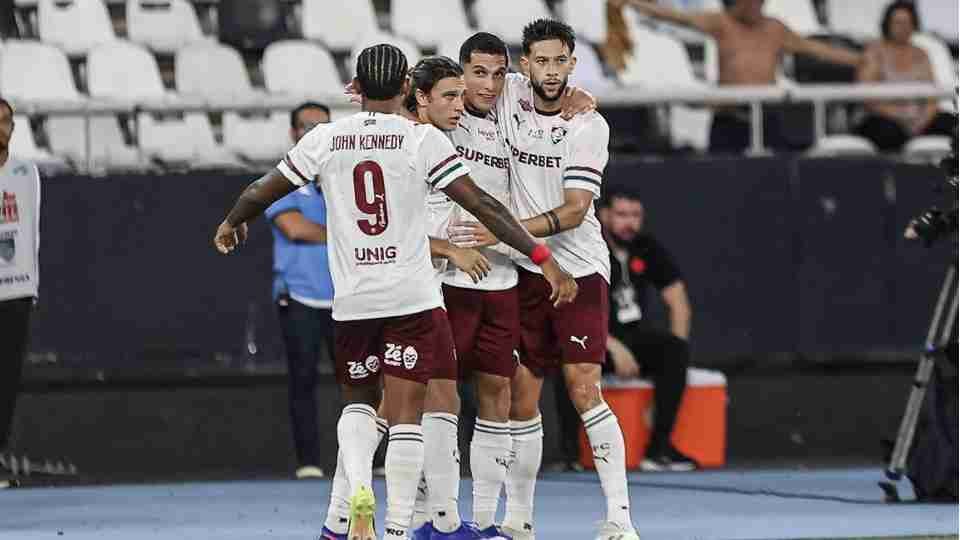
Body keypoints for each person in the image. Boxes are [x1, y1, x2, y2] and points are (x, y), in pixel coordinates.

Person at [214, 44, 577, 540]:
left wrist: (233, 221)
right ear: (407, 88)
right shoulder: (421, 141)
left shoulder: (326, 137)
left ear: (356, 89)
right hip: (411, 298)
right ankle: (399, 529)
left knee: (358, 407)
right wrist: (541, 257)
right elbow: (485, 206)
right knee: (407, 418)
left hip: (353, 299)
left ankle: (351, 502)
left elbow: (263, 188)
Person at [452, 19, 638, 540]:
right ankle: (519, 519)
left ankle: (620, 519)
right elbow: (453, 81)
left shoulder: (588, 125)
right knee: (520, 397)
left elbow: (576, 212)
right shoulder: (506, 91)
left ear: (572, 63)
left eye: (561, 62)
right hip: (524, 272)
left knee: (583, 389)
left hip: (577, 269)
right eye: (542, 61)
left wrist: (495, 230)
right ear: (525, 64)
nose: (552, 72)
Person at [552, 190, 696, 473]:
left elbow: (679, 301)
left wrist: (676, 351)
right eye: (622, 215)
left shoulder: (646, 246)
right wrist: (611, 345)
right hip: (591, 334)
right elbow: (572, 306)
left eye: (636, 216)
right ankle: (570, 454)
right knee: (566, 358)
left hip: (632, 337)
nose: (629, 223)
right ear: (604, 215)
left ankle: (659, 449)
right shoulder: (587, 245)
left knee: (674, 351)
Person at [627, 0, 864, 153]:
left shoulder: (775, 29)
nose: (756, 6)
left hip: (768, 116)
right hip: (729, 116)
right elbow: (676, 17)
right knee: (721, 172)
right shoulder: (722, 23)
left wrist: (859, 60)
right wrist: (634, 3)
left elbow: (816, 50)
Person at [264, 102, 334, 480]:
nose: (314, 132)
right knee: (303, 380)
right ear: (293, 134)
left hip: (346, 297)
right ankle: (309, 462)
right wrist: (346, 235)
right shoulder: (282, 177)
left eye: (322, 126)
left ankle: (370, 460)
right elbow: (294, 227)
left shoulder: (346, 175)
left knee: (360, 383)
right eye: (306, 126)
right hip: (300, 296)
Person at [0, 98, 40, 490]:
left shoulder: (27, 172)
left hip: (17, 292)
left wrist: (33, 283)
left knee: (7, 380)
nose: (3, 127)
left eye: (8, 121)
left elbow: (32, 231)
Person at [853, 1, 955, 152]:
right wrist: (902, 117)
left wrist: (922, 119)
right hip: (885, 117)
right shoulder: (874, 52)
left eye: (908, 22)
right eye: (898, 23)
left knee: (952, 124)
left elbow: (933, 96)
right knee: (887, 132)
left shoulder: (921, 54)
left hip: (920, 118)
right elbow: (868, 99)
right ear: (887, 24)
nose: (903, 27)